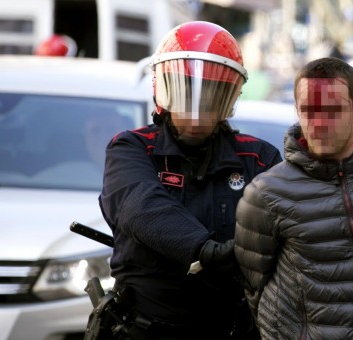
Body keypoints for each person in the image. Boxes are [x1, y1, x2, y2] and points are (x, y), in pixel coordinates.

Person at [97, 21, 282, 339]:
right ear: (163, 89)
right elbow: (140, 205)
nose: (197, 110)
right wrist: (205, 250)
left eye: (210, 95)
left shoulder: (259, 158)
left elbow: (284, 232)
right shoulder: (131, 147)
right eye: (186, 92)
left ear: (229, 98)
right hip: (143, 331)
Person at [234, 57, 353, 339]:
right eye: (309, 110)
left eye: (333, 110)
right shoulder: (266, 194)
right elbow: (254, 289)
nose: (319, 123)